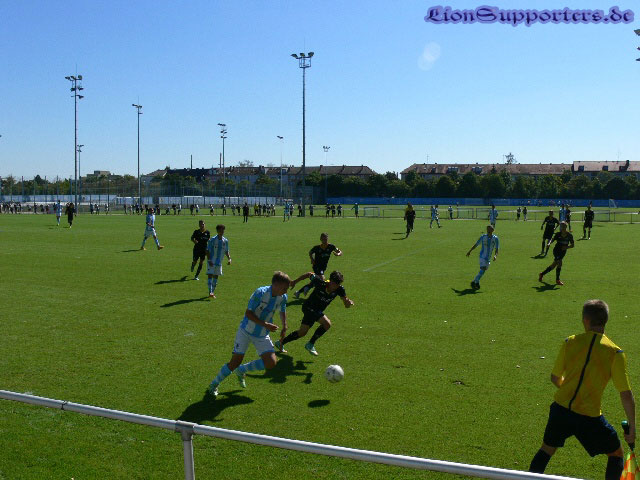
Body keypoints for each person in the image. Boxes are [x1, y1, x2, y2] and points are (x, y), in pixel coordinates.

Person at [528, 300, 635, 480]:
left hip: (560, 410)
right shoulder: (615, 353)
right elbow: (625, 393)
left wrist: (569, 391)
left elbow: (555, 377)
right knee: (616, 453)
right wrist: (632, 427)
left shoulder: (570, 342)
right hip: (589, 417)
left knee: (546, 449)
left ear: (585, 320)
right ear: (605, 320)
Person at [207, 271, 290, 396]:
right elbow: (248, 313)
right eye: (284, 288)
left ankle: (241, 370)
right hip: (246, 331)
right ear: (276, 285)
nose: (286, 291)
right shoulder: (260, 293)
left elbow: (282, 310)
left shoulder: (283, 297)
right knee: (234, 362)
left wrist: (284, 326)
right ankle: (214, 384)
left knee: (271, 363)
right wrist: (266, 324)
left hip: (262, 334)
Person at [276, 271, 353, 356]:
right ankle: (310, 344)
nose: (335, 286)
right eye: (334, 284)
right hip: (308, 307)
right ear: (330, 281)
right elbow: (309, 274)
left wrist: (348, 303)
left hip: (317, 311)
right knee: (327, 324)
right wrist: (294, 281)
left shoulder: (340, 289)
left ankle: (280, 342)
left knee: (302, 332)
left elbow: (346, 305)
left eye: (338, 284)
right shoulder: (320, 283)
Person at [294, 233, 342, 298]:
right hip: (317, 266)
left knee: (316, 281)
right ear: (320, 239)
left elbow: (339, 251)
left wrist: (338, 254)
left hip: (323, 267)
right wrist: (312, 259)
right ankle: (315, 295)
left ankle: (300, 291)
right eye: (323, 239)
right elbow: (310, 252)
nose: (325, 240)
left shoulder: (331, 246)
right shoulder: (317, 248)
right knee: (322, 281)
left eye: (326, 239)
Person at [539, 221, 574, 286]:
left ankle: (542, 274)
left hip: (563, 252)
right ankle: (557, 280)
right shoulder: (558, 234)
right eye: (561, 226)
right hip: (556, 250)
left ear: (566, 227)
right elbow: (552, 239)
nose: (562, 227)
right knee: (560, 263)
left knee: (554, 265)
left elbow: (572, 245)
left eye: (563, 226)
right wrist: (549, 243)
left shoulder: (569, 235)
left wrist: (567, 247)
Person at [466, 225, 499, 289]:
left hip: (488, 258)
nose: (488, 230)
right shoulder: (483, 237)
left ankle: (476, 282)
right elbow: (476, 244)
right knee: (483, 269)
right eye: (487, 229)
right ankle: (474, 282)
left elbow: (497, 249)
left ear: (493, 230)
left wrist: (495, 255)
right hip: (482, 256)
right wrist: (470, 251)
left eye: (489, 229)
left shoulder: (496, 238)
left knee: (483, 270)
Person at [205, 224, 231, 298]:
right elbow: (207, 250)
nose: (221, 231)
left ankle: (212, 292)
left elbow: (226, 251)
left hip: (219, 262)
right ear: (217, 231)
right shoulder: (212, 240)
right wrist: (209, 260)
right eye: (220, 230)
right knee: (210, 275)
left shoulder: (225, 241)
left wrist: (229, 258)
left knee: (216, 276)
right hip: (211, 261)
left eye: (223, 230)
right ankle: (210, 292)